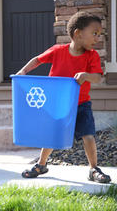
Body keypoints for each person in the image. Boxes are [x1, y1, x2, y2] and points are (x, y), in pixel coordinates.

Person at [16, 11, 111, 183]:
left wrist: (86, 75)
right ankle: (41, 164)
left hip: (81, 104)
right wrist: (23, 72)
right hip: (58, 104)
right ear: (78, 33)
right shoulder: (58, 51)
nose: (97, 38)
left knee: (88, 135)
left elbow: (98, 77)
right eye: (94, 33)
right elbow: (37, 60)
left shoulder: (92, 56)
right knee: (52, 135)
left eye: (100, 34)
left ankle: (93, 169)